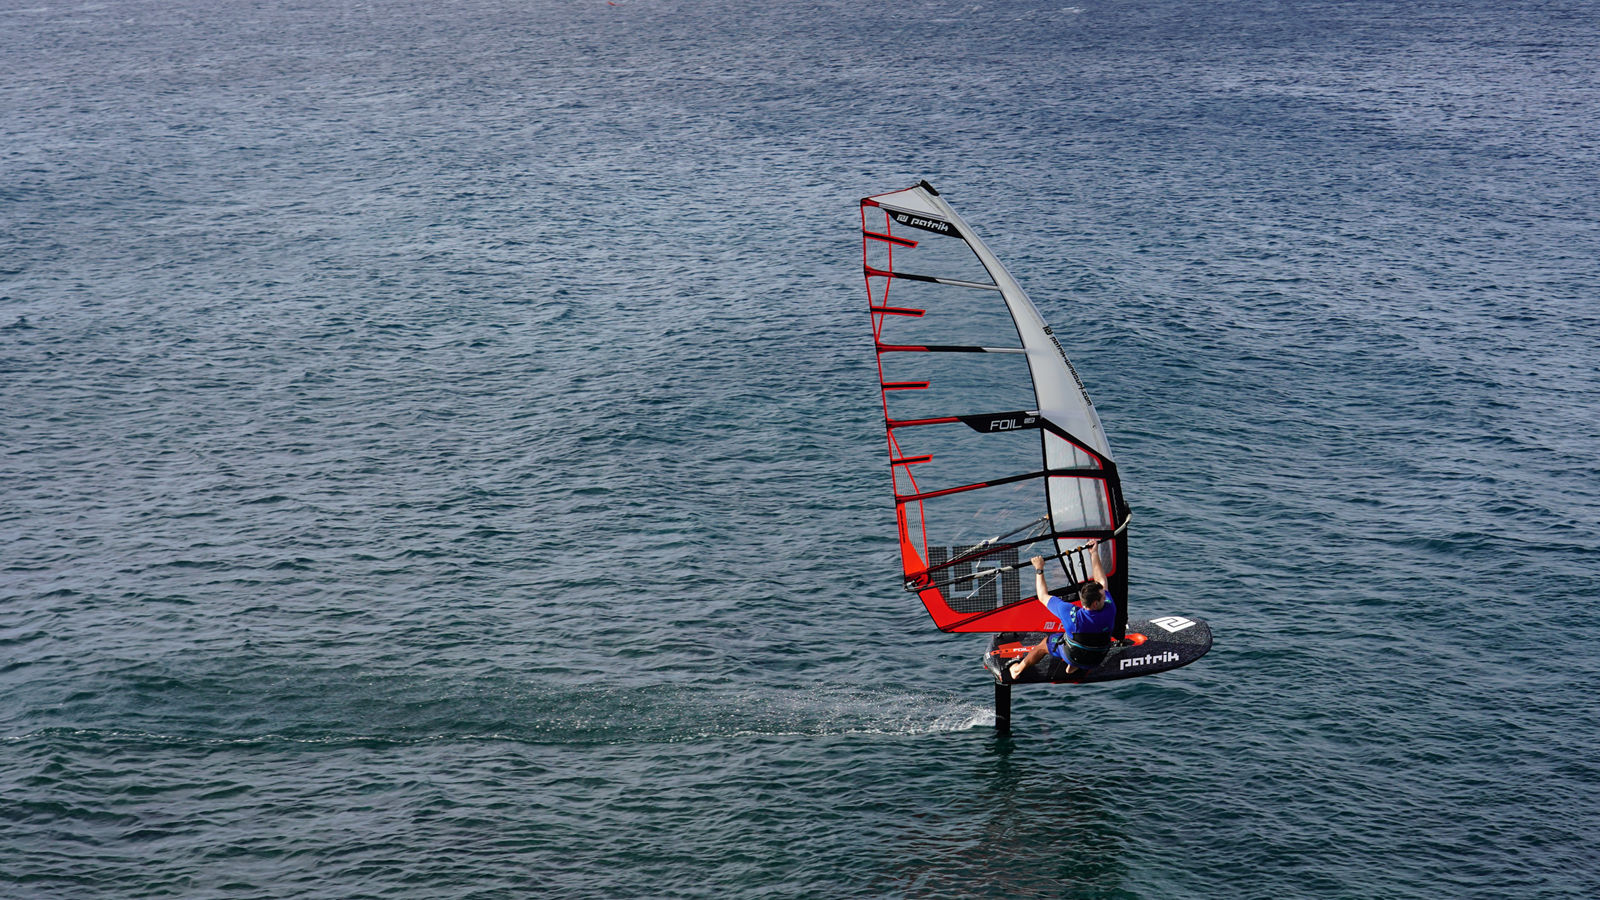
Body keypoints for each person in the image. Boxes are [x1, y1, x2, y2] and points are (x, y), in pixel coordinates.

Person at [1006, 539, 1118, 682]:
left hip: (1073, 655)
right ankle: (1075, 665)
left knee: (1044, 644)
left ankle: (1017, 670)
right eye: (1103, 596)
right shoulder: (1109, 609)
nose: (1105, 596)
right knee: (1085, 641)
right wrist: (1094, 553)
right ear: (1095, 603)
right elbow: (1102, 582)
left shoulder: (1069, 612)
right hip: (1098, 658)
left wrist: (1039, 569)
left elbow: (1042, 596)